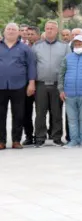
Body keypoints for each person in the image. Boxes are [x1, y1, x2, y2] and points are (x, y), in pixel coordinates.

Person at [0, 22, 36, 150]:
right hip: (1, 85)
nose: (10, 31)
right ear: (4, 31)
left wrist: (31, 83)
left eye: (13, 29)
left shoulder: (25, 48)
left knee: (19, 114)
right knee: (1, 114)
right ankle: (1, 141)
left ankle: (16, 140)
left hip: (19, 85)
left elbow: (31, 66)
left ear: (18, 32)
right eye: (8, 29)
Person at [32, 20, 68, 147]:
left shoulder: (64, 46)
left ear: (57, 30)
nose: (49, 30)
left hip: (58, 84)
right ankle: (40, 137)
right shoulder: (36, 46)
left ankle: (57, 137)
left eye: (52, 28)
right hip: (41, 84)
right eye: (47, 28)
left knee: (56, 112)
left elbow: (67, 66)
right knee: (40, 112)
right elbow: (32, 65)